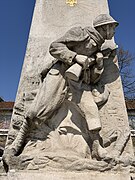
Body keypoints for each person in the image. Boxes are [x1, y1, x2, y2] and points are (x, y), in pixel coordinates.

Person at [3, 14, 119, 164]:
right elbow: (54, 47)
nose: (114, 31)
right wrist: (75, 57)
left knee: (90, 109)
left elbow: (93, 79)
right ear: (104, 28)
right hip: (60, 73)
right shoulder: (81, 33)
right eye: (112, 27)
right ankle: (16, 144)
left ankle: (97, 148)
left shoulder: (98, 48)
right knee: (38, 109)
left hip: (78, 81)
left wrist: (98, 65)